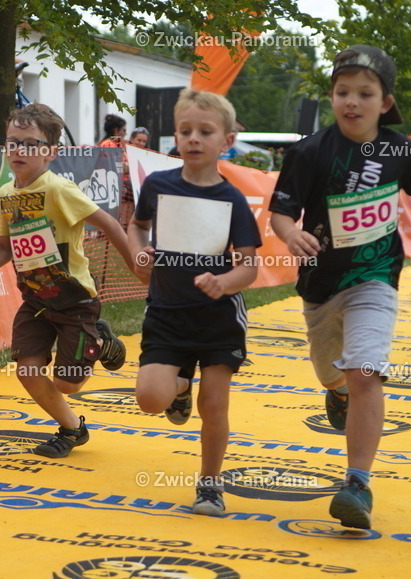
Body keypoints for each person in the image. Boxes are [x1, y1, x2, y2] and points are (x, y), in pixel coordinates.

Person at [269, 44, 411, 529]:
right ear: (332, 96)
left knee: (365, 371)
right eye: (343, 92)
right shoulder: (309, 151)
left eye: (365, 93)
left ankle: (357, 484)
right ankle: (336, 393)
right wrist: (288, 232)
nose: (352, 102)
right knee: (333, 373)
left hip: (376, 279)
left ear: (385, 103)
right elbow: (280, 211)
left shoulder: (402, 152)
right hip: (320, 286)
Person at [0, 103, 134, 459]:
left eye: (30, 143)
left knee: (67, 383)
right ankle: (72, 429)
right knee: (27, 371)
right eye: (12, 142)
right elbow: (5, 247)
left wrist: (134, 261)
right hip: (37, 302)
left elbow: (109, 223)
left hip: (74, 301)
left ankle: (100, 340)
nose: (18, 150)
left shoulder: (58, 190)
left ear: (51, 152)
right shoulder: (8, 194)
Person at [129, 89, 260, 516]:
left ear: (226, 141)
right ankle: (179, 386)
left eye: (205, 131)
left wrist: (223, 282)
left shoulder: (233, 200)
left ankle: (209, 485)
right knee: (150, 399)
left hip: (217, 318)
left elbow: (249, 268)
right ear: (176, 136)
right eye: (185, 130)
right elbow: (138, 226)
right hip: (166, 312)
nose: (194, 139)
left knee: (215, 404)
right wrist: (140, 252)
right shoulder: (158, 185)